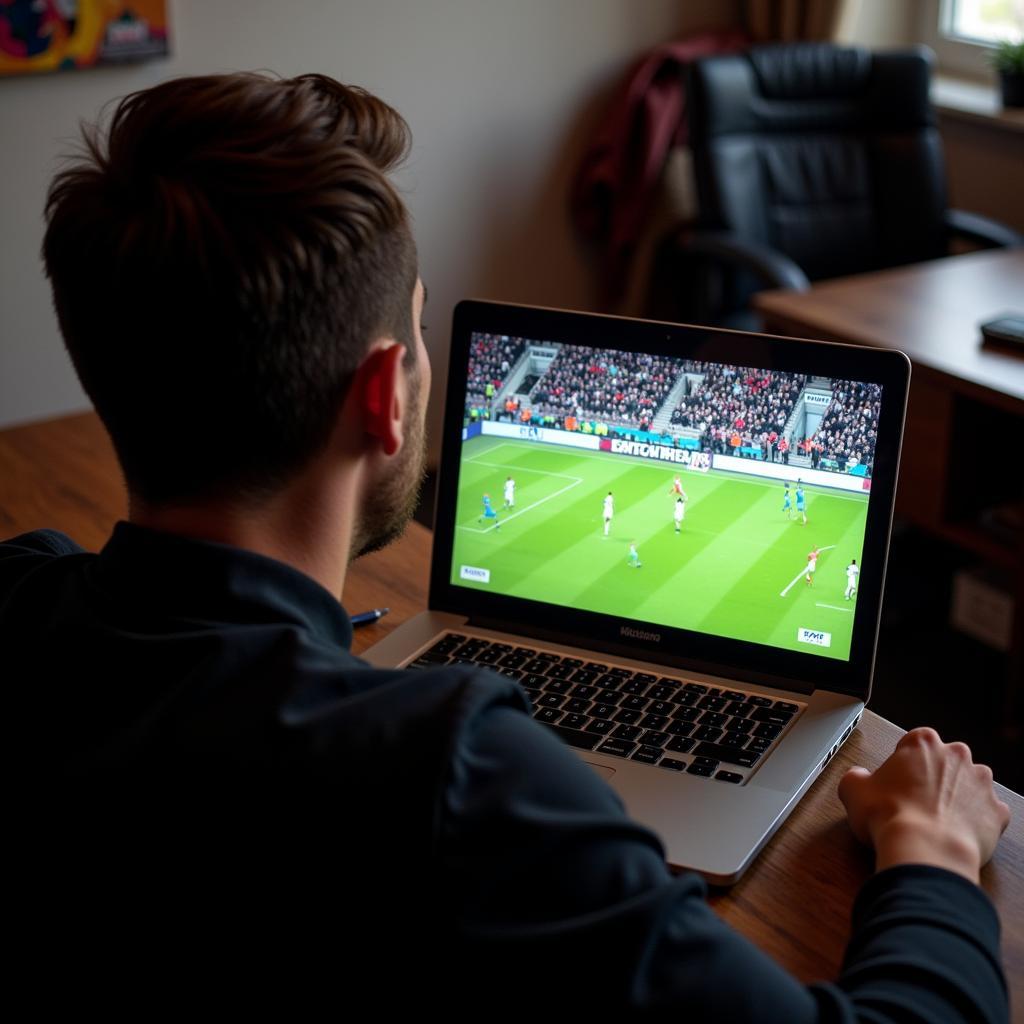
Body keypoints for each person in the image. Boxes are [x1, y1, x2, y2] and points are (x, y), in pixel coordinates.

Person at [1, 72, 1011, 1018]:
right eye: (423, 332)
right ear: (383, 397)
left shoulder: (18, 598)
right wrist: (929, 845)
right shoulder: (455, 774)